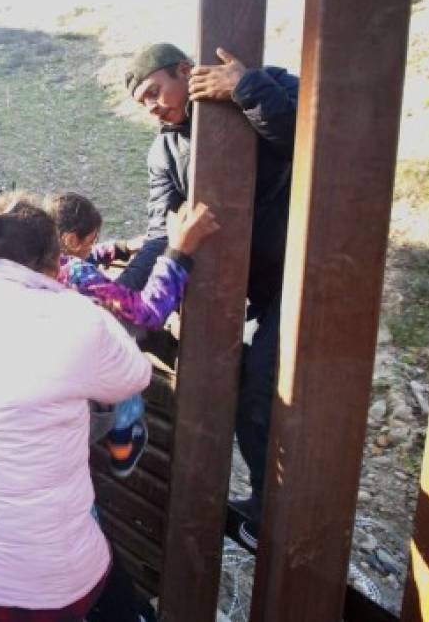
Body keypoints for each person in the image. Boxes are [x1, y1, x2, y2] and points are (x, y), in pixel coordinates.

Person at [0, 191, 155, 620]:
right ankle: (123, 454)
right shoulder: (77, 318)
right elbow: (134, 377)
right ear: (55, 260)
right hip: (49, 587)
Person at [120, 42, 298, 547]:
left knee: (262, 390)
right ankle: (267, 509)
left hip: (304, 276)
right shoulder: (164, 150)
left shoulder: (264, 85)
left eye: (156, 90)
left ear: (184, 70)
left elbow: (312, 137)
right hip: (254, 293)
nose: (152, 105)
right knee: (243, 387)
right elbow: (161, 234)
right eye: (142, 102)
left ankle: (276, 518)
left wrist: (244, 88)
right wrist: (118, 303)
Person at [51, 192, 219, 478]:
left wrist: (119, 248)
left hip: (59, 390)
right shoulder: (76, 274)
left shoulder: (43, 263)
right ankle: (122, 448)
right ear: (69, 240)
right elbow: (148, 312)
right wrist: (178, 252)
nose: (91, 247)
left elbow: (82, 258)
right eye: (90, 240)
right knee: (123, 366)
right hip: (85, 392)